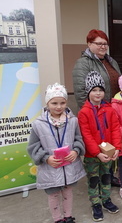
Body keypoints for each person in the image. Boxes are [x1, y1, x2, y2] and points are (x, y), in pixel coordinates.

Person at [27, 83, 86, 223]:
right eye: (54, 103)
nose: (58, 107)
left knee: (68, 192)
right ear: (47, 103)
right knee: (53, 195)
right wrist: (46, 158)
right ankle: (57, 219)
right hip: (51, 169)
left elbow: (79, 139)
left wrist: (76, 151)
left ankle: (68, 216)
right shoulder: (38, 124)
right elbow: (33, 146)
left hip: (69, 167)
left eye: (62, 103)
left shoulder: (73, 121)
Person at [72, 29, 122, 187]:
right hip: (96, 113)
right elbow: (81, 92)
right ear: (89, 44)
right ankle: (99, 177)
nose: (103, 47)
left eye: (105, 44)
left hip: (111, 110)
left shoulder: (110, 60)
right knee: (99, 144)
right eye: (99, 43)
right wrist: (90, 113)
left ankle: (110, 175)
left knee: (111, 144)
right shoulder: (83, 63)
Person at [77, 71, 122, 221]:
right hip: (92, 156)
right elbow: (86, 135)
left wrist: (116, 148)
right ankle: (96, 203)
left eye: (100, 90)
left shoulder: (109, 109)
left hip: (108, 153)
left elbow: (115, 129)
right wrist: (96, 153)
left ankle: (106, 199)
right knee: (94, 179)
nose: (97, 93)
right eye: (94, 90)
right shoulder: (84, 112)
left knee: (106, 177)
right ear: (88, 92)